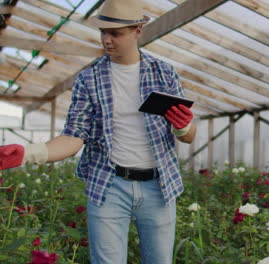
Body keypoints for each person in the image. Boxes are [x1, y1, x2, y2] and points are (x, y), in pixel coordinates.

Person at [0, 0, 196, 263]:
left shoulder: (163, 73)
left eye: (115, 33)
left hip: (158, 187)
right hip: (109, 185)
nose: (107, 40)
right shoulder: (88, 79)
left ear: (137, 30)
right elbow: (73, 137)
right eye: (103, 32)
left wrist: (183, 125)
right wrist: (28, 153)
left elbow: (188, 136)